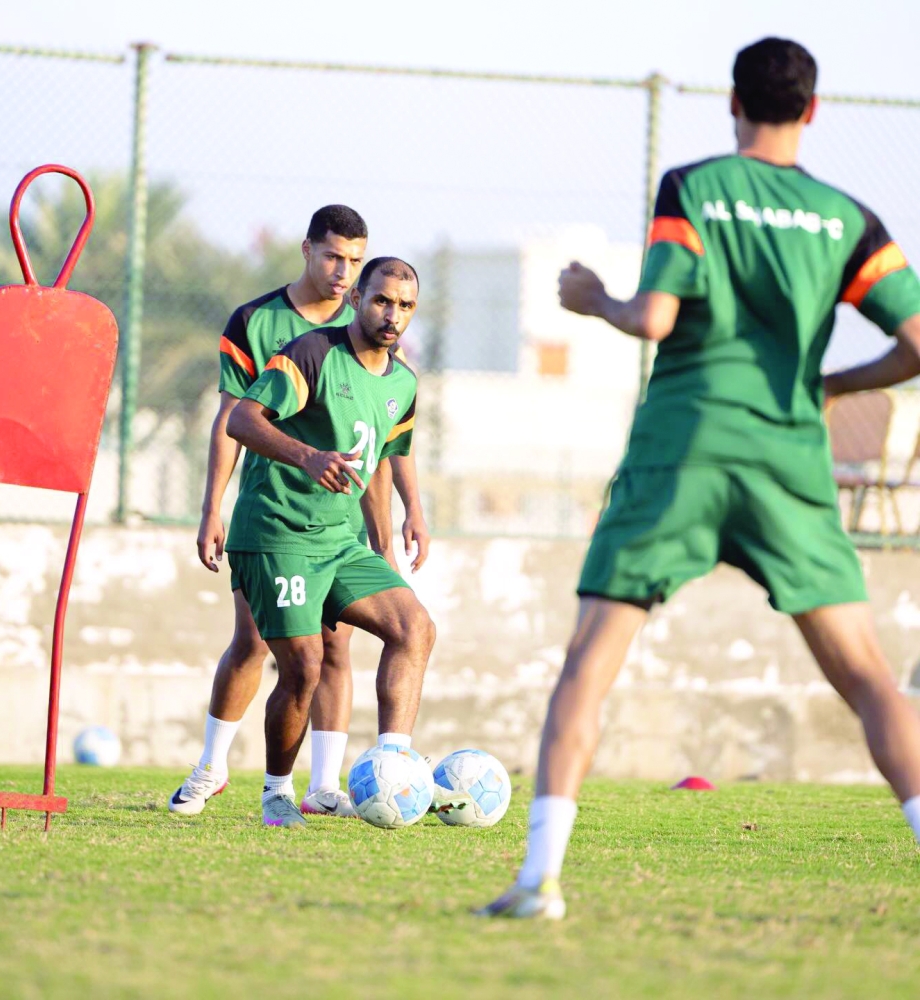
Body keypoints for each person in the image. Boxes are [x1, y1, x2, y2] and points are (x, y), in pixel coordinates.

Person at [479, 37, 920, 919]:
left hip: (682, 448)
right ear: (813, 109)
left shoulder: (695, 186)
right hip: (789, 459)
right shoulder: (848, 218)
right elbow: (916, 345)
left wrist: (594, 298)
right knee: (870, 676)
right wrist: (829, 383)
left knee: (590, 663)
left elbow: (654, 317)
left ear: (733, 102)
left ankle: (539, 881)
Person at [168, 209, 430, 818]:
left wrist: (396, 528)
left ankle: (344, 780)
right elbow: (235, 418)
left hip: (336, 536)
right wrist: (214, 509)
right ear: (309, 251)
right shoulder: (280, 334)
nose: (344, 274)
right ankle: (226, 771)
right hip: (274, 524)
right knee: (263, 647)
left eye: (354, 261)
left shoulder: (395, 372)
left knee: (384, 636)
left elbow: (378, 453)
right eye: (335, 258)